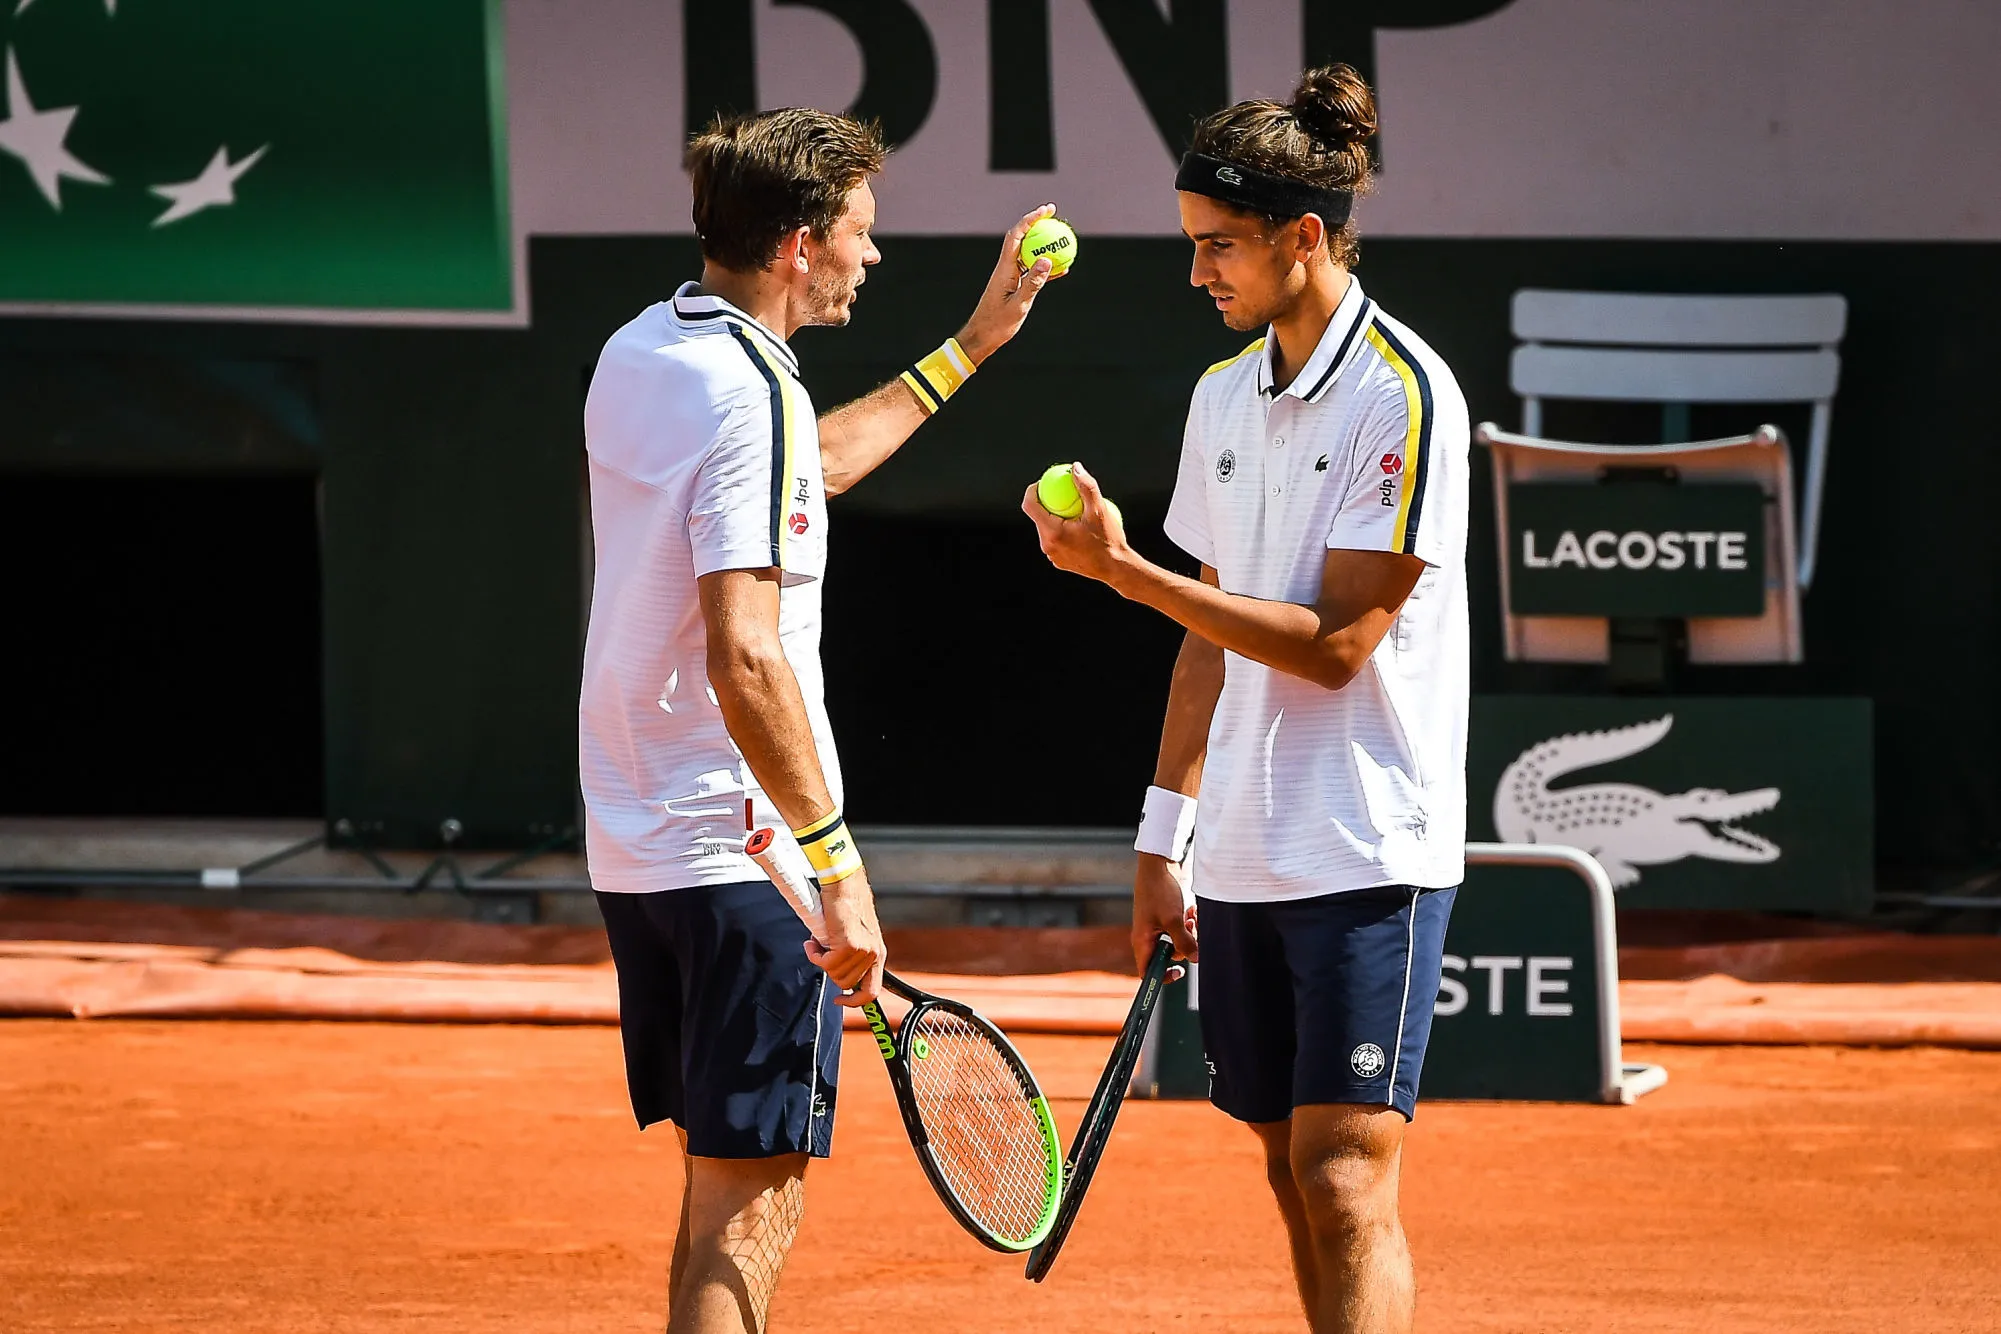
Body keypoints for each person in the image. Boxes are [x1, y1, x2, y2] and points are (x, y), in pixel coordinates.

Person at [580, 106, 1060, 1334]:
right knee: (750, 1209)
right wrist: (836, 868)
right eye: (861, 230)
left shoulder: (644, 348)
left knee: (716, 1187)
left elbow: (815, 467)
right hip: (747, 855)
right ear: (802, 244)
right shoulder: (756, 396)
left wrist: (975, 342)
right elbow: (746, 653)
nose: (872, 253)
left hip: (637, 845)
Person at [1021, 66, 1468, 1334]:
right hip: (1243, 855)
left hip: (1369, 843)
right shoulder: (1221, 393)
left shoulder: (1402, 392)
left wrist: (1125, 571)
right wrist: (1164, 839)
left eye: (1219, 244)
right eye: (1192, 242)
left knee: (1344, 1173)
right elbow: (1208, 641)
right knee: (1288, 1167)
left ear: (1302, 236)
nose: (1197, 271)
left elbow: (1337, 646)